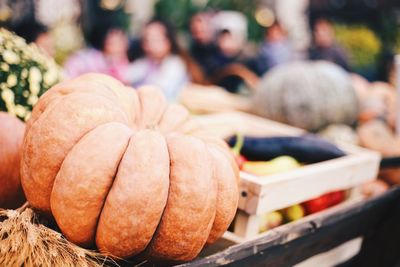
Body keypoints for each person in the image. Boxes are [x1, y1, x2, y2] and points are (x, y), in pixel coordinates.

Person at [123, 18, 202, 101]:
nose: (149, 44)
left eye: (155, 39)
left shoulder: (174, 64)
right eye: (146, 40)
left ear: (168, 41)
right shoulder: (147, 63)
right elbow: (126, 75)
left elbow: (160, 91)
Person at [63, 24, 129, 81]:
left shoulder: (121, 62)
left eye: (123, 39)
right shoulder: (84, 59)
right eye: (117, 41)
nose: (124, 44)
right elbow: (68, 75)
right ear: (106, 43)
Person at [188, 11, 218, 77]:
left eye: (202, 31)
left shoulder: (218, 49)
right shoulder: (192, 50)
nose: (199, 35)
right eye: (196, 32)